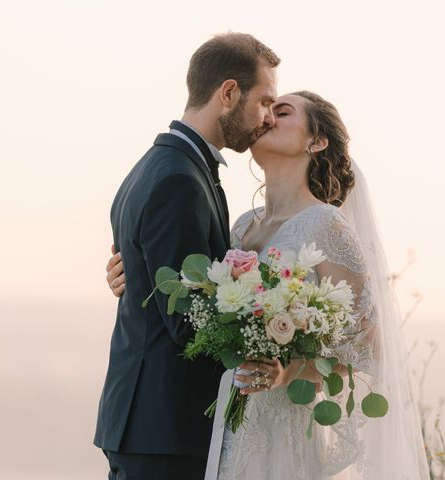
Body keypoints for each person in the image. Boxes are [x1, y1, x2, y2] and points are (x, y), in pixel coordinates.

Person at [105, 92, 430, 479]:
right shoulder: (242, 226)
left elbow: (368, 345)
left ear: (317, 140)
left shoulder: (327, 226)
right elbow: (201, 295)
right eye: (266, 110)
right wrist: (135, 274)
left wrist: (290, 372)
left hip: (283, 430)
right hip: (229, 426)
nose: (267, 118)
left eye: (283, 112)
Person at [94, 32, 279, 480]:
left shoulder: (159, 165)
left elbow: (153, 278)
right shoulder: (179, 179)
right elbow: (186, 319)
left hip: (152, 428)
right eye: (264, 102)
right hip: (163, 431)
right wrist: (274, 337)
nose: (268, 118)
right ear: (228, 93)